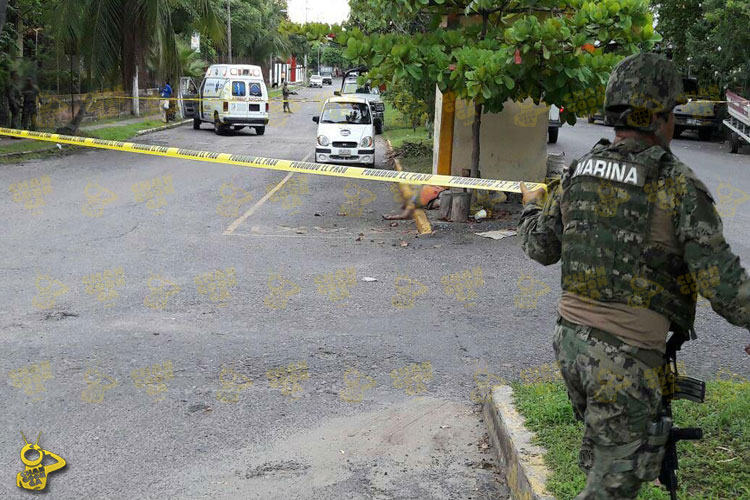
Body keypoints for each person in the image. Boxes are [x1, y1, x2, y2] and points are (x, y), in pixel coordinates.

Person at [518, 52, 750, 500]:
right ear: (662, 116)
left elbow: (540, 247)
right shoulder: (675, 182)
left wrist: (530, 205)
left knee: (611, 455)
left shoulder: (578, 172)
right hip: (622, 364)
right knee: (612, 487)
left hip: (571, 347)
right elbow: (723, 287)